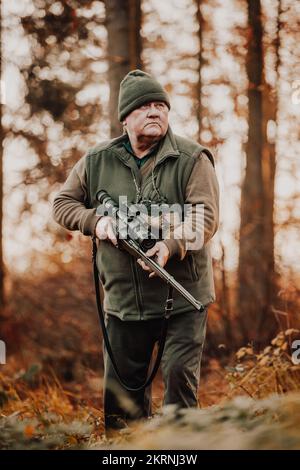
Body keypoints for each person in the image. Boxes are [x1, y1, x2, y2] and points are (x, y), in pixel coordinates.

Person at [52, 69, 219, 436]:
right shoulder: (96, 161)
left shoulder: (193, 158)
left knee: (179, 388)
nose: (155, 111)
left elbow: (205, 218)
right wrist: (96, 222)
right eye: (144, 106)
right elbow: (62, 203)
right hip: (125, 302)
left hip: (181, 298)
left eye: (161, 105)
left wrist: (170, 245)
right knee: (122, 411)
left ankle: (180, 456)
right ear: (125, 118)